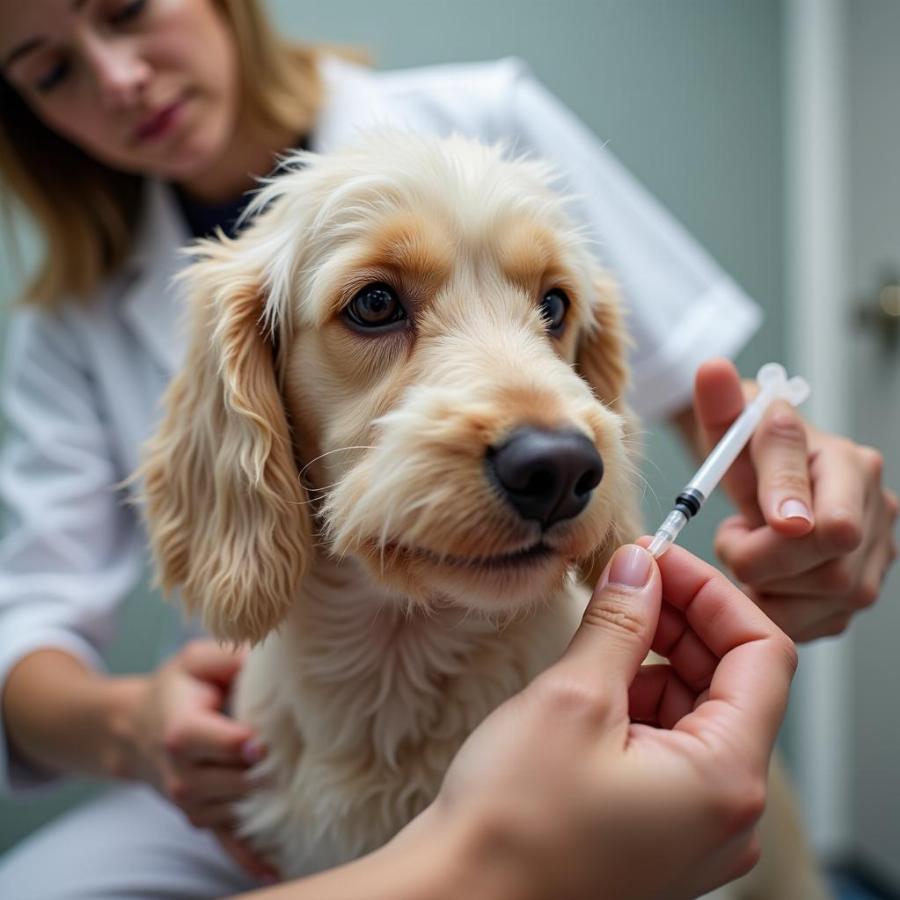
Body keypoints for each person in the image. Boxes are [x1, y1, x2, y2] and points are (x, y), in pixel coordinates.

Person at [0, 0, 894, 896]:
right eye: (377, 305)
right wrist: (130, 724)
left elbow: (720, 411)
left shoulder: (489, 113)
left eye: (125, 9)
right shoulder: (71, 318)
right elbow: (27, 623)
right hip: (245, 755)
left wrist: (804, 505)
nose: (120, 79)